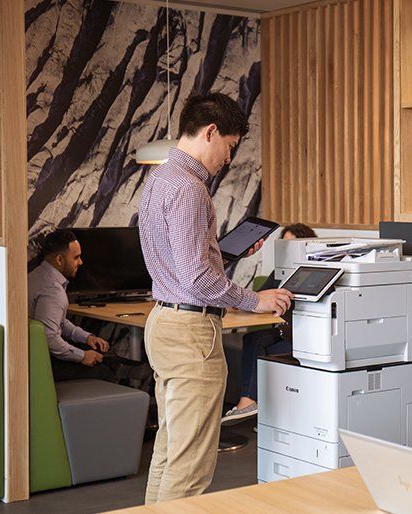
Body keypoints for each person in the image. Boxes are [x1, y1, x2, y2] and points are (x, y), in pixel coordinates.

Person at [138, 92, 294, 503]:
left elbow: (180, 260)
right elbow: (194, 276)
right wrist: (254, 300)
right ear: (211, 132)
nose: (228, 157)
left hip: (163, 322)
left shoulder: (159, 178)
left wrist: (223, 253)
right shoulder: (190, 189)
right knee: (190, 468)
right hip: (190, 331)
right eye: (230, 145)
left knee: (171, 451)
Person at [222, 223, 318, 425]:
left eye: (291, 245)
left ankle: (249, 403)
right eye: (283, 245)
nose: (286, 251)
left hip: (306, 337)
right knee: (253, 338)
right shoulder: (280, 272)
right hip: (284, 331)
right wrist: (236, 304)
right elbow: (259, 300)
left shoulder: (314, 272)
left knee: (257, 342)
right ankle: (248, 403)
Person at [28, 229, 119, 382]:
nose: (81, 262)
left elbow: (59, 322)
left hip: (34, 356)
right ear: (59, 260)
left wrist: (86, 337)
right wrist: (83, 356)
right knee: (105, 371)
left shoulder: (36, 276)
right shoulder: (52, 290)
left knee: (99, 354)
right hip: (43, 364)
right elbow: (49, 338)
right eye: (76, 257)